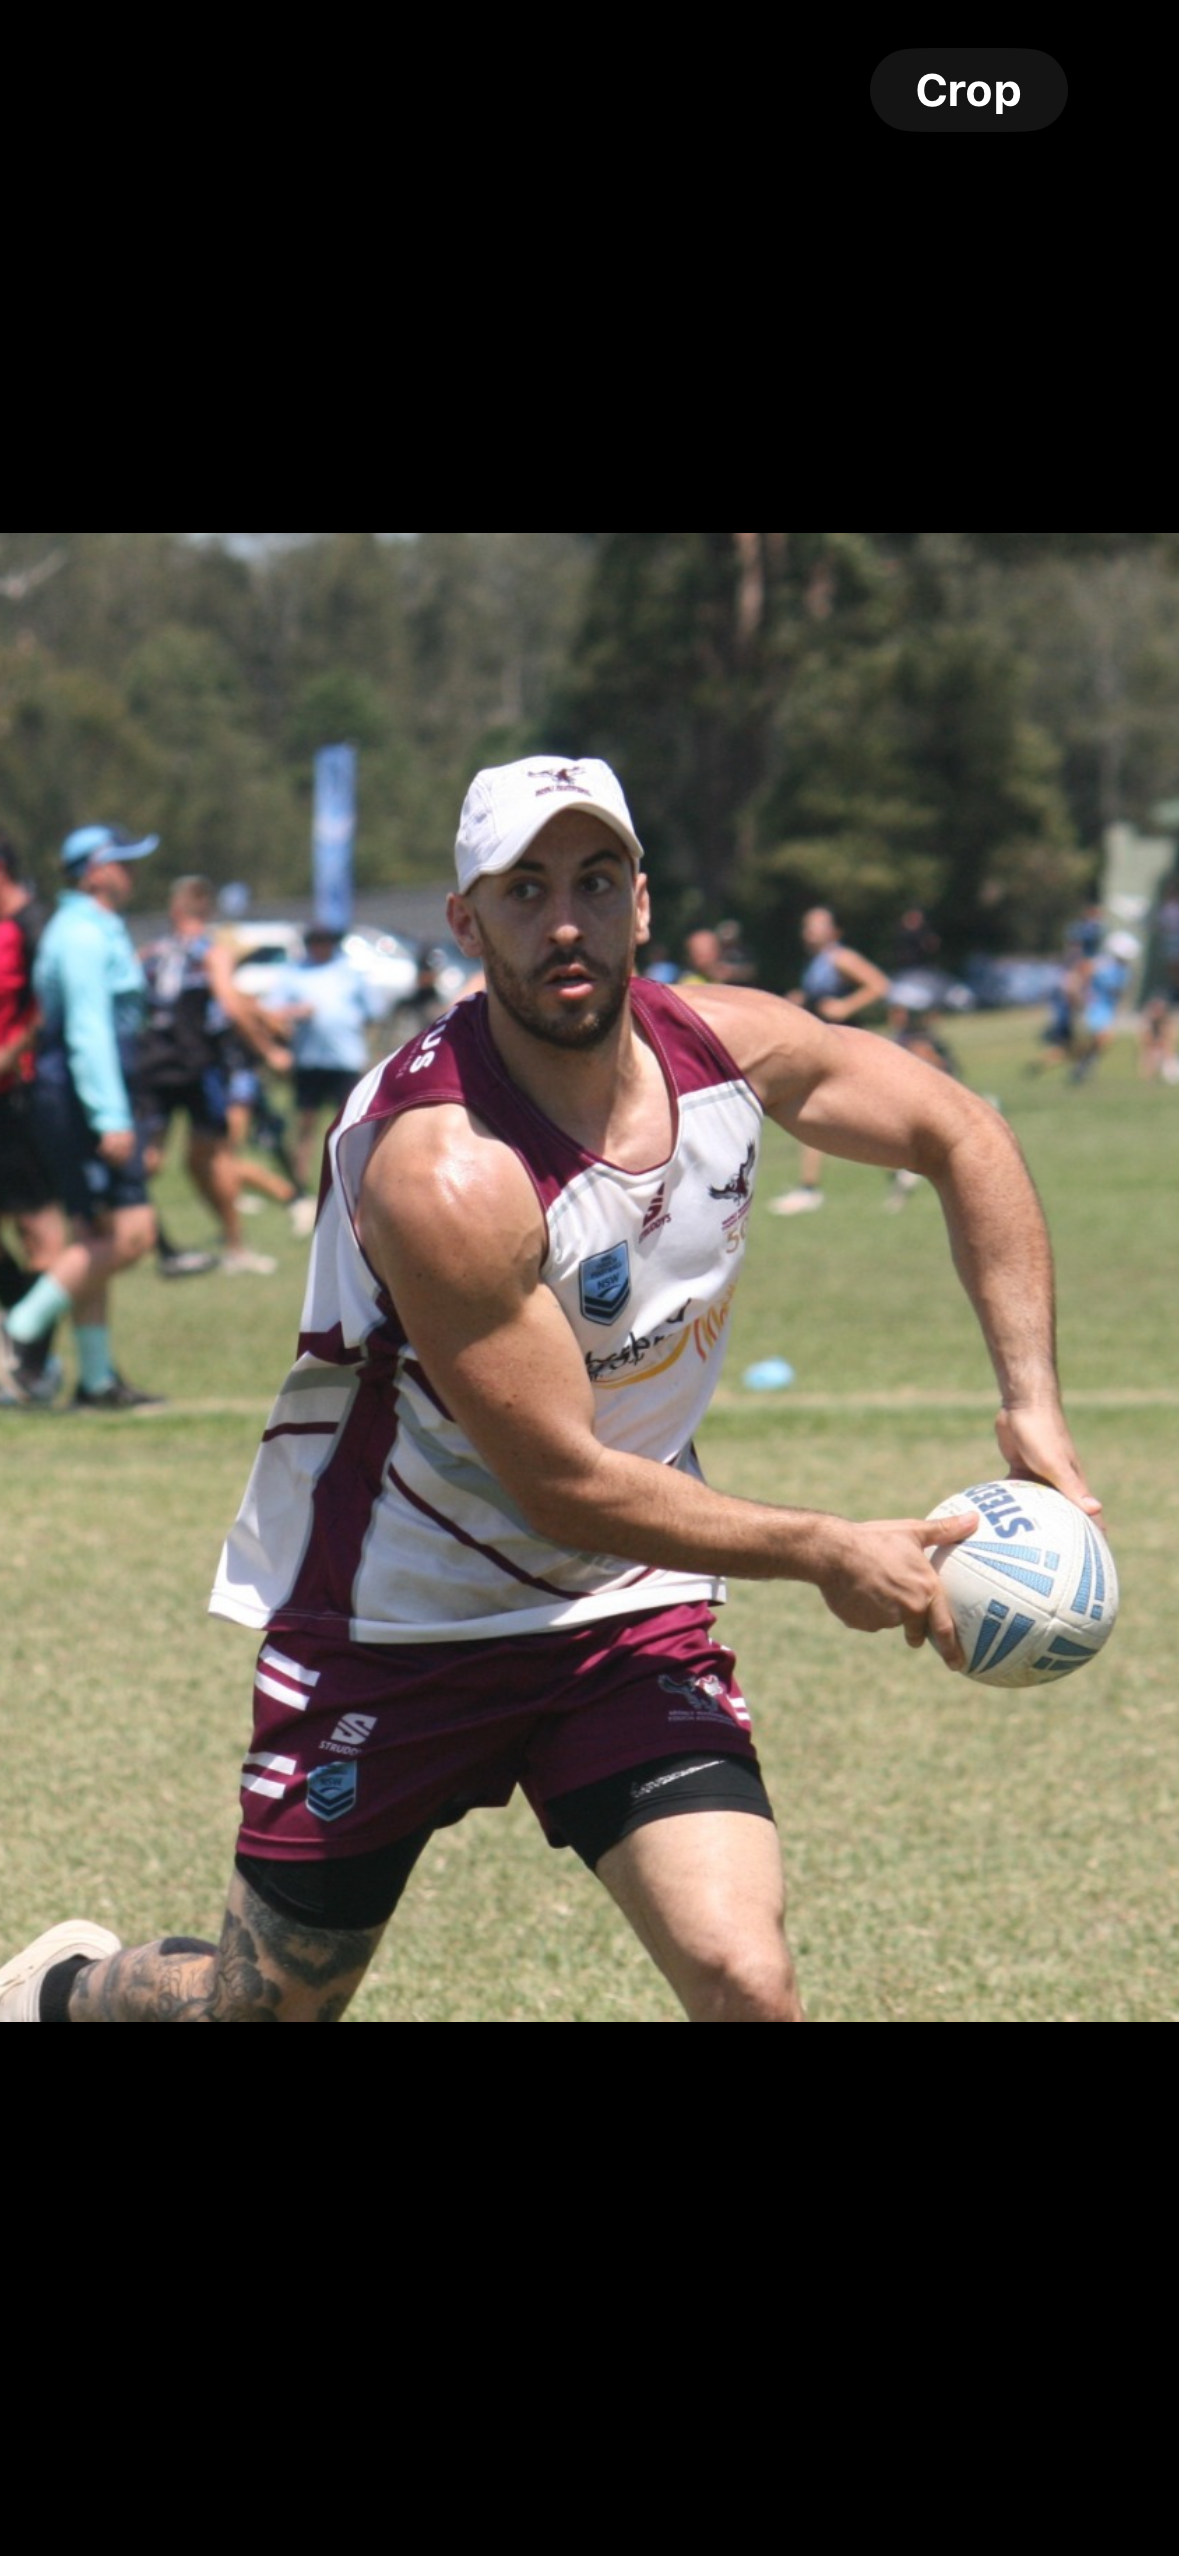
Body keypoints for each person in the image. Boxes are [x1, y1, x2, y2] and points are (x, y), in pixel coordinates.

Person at [0, 752, 1101, 2024]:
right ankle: (66, 1994)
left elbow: (960, 1130)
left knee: (747, 1977)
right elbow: (561, 1481)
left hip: (623, 1609)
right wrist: (824, 1549)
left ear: (644, 900)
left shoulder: (729, 1054)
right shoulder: (445, 1167)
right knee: (254, 2007)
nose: (565, 922)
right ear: (465, 921)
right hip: (396, 1616)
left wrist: (1033, 1402)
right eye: (524, 890)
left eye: (595, 878)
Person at [0, 823, 163, 1410]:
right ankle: (21, 1331)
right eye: (122, 862)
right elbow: (88, 1032)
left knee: (94, 1236)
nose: (131, 872)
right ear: (92, 870)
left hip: (77, 1093)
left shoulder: (84, 928)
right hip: (81, 1096)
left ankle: (95, 1380)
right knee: (132, 1234)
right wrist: (110, 1117)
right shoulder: (81, 935)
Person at [134, 876, 299, 1277]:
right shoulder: (212, 951)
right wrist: (268, 1049)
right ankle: (236, 1247)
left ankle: (147, 1240)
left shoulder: (151, 952)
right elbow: (228, 1002)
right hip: (197, 1067)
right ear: (206, 912)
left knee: (148, 1162)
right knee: (216, 1157)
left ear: (175, 911)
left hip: (151, 1067)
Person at [0, 833, 68, 1400]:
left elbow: (47, 1008)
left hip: (19, 1101)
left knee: (41, 1231)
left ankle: (33, 1368)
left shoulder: (33, 926)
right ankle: (24, 1342)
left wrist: (12, 1052)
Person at [767, 906, 890, 1214]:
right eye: (807, 925)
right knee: (821, 1111)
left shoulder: (841, 957)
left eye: (818, 925)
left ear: (834, 931)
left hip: (846, 1046)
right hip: (825, 1045)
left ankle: (810, 1189)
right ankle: (810, 1186)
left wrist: (846, 1006)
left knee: (820, 1110)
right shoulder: (817, 963)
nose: (810, 930)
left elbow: (879, 984)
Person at [263, 923, 387, 1193]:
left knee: (353, 1123)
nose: (320, 947)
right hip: (309, 1059)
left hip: (346, 1060)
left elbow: (373, 1013)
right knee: (306, 1123)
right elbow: (270, 1012)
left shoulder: (350, 974)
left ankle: (359, 1179)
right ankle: (300, 1184)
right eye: (315, 942)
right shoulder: (293, 973)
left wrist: (370, 1050)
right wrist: (294, 1012)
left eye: (324, 941)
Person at [1068, 930, 1139, 1082]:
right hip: (1094, 1005)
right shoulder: (1101, 964)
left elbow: (1118, 992)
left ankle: (1084, 1063)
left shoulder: (1125, 971)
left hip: (1107, 1008)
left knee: (1103, 1041)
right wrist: (1081, 995)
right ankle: (1083, 1063)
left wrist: (1118, 1008)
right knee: (1103, 1038)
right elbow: (1082, 974)